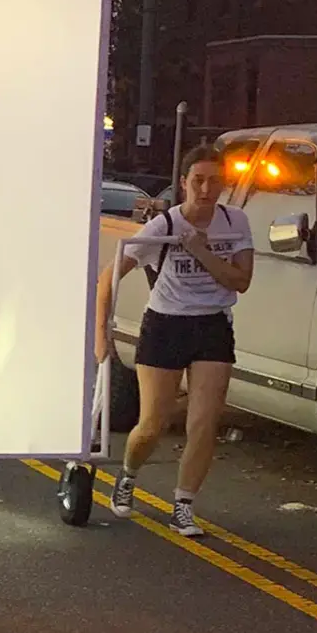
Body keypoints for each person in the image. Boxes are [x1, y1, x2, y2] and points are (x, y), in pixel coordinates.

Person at [95, 143, 254, 538]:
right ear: (184, 184)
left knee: (203, 422)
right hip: (165, 324)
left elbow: (241, 281)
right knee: (153, 423)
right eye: (198, 181)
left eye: (214, 181)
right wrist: (101, 335)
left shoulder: (235, 222)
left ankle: (183, 505)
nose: (206, 189)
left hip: (213, 324)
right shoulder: (162, 227)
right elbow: (108, 279)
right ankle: (129, 475)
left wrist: (201, 251)